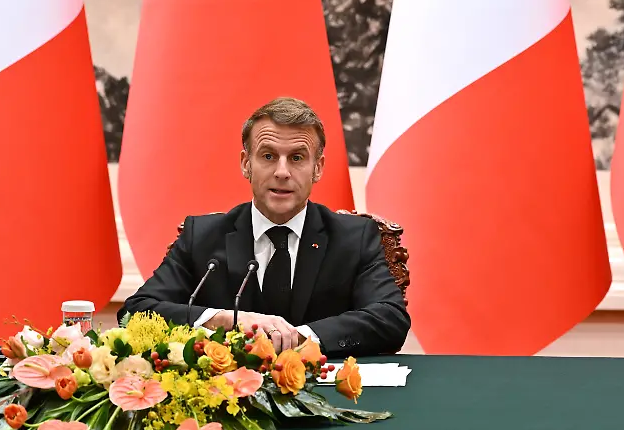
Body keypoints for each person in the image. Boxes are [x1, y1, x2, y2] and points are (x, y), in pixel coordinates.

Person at [120, 97, 410, 357]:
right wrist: (223, 319)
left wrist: (300, 337)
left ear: (317, 168)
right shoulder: (203, 237)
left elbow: (389, 319)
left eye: (297, 158)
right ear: (246, 164)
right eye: (268, 156)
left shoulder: (353, 237)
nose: (282, 172)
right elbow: (135, 312)